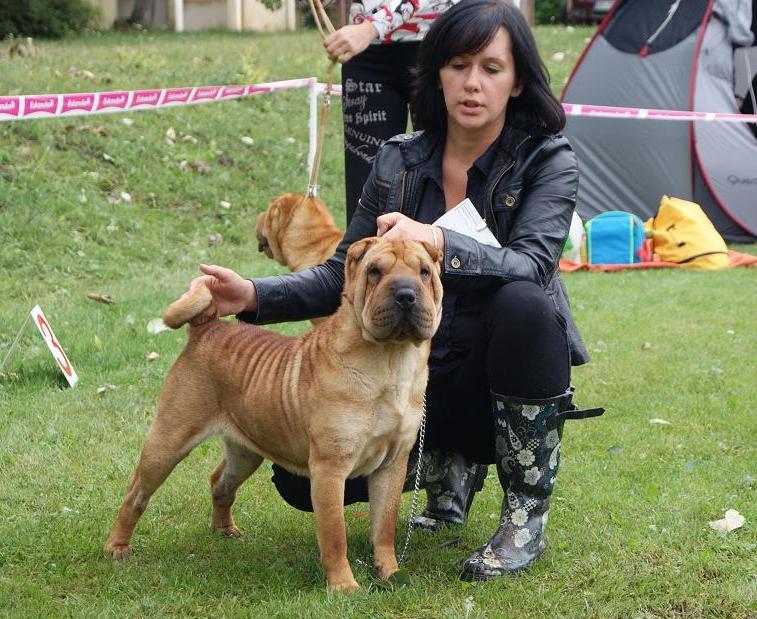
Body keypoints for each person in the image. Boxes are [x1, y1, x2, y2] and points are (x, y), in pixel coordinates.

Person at [192, 0, 602, 580]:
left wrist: (437, 238)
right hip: (408, 377)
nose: (472, 83)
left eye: (491, 68)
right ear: (435, 72)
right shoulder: (398, 159)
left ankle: (523, 515)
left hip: (495, 373)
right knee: (298, 478)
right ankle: (444, 468)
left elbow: (533, 265)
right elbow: (343, 272)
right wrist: (254, 295)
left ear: (517, 82)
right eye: (458, 64)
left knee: (525, 304)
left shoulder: (547, 159)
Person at [321, 1, 461, 225]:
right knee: (364, 190)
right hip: (367, 52)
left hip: (440, 44)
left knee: (445, 184)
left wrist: (372, 26)